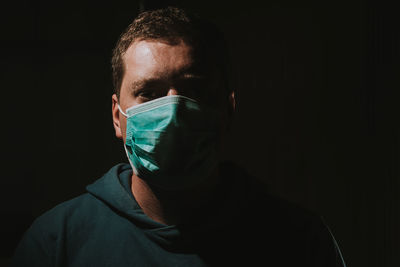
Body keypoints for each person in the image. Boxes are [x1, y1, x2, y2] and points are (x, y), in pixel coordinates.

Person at [12, 7, 346, 267]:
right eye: (149, 92)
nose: (172, 111)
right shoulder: (58, 242)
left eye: (194, 90)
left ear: (228, 108)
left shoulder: (298, 240)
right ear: (118, 116)